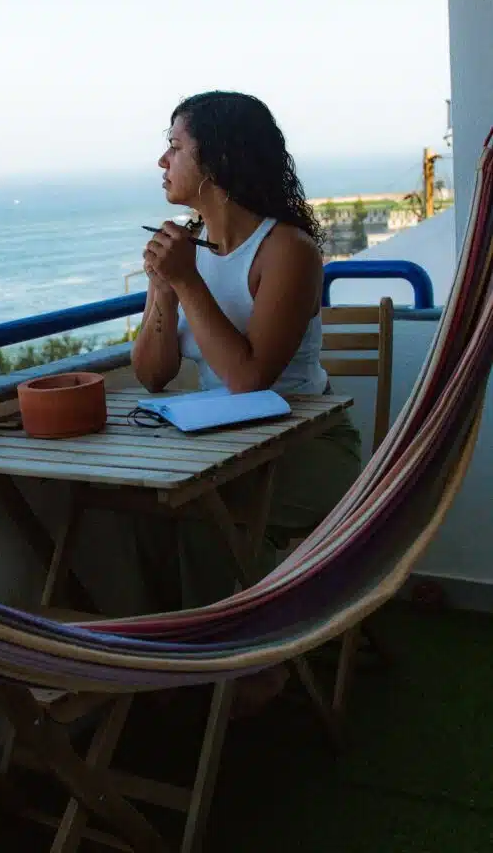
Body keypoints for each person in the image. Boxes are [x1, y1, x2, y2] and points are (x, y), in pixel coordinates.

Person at [131, 91, 362, 711]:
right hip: (224, 447)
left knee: (204, 515)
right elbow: (152, 376)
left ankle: (250, 672)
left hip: (307, 447)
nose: (162, 158)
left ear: (216, 160)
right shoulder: (189, 248)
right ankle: (209, 661)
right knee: (144, 513)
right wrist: (163, 292)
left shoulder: (288, 251)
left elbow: (249, 380)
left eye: (176, 146)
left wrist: (185, 278)